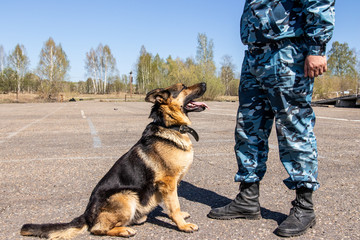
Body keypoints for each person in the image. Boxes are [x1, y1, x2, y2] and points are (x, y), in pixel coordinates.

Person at [207, 0, 335, 237]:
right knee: (248, 128)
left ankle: (305, 206)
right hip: (255, 54)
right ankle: (248, 198)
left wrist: (316, 48)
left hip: (287, 51)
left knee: (293, 128)